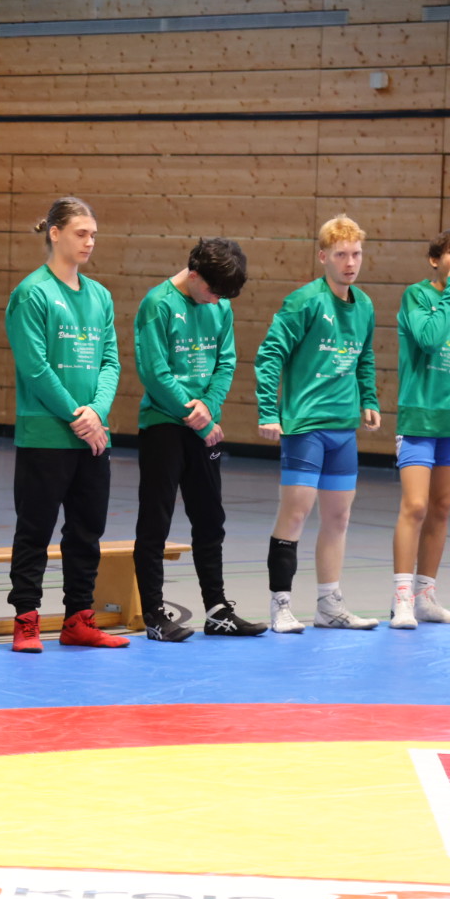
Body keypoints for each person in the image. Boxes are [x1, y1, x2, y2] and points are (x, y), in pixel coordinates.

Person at [5, 197, 126, 653]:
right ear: (54, 233)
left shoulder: (100, 296)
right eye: (81, 233)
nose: (89, 242)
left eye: (93, 234)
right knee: (34, 531)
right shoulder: (32, 293)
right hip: (46, 434)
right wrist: (79, 416)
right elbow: (35, 368)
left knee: (86, 532)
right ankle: (26, 620)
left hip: (93, 436)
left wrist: (97, 412)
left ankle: (79, 619)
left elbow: (111, 361)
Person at [133, 238, 266, 641]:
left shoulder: (219, 305)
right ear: (193, 274)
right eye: (212, 291)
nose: (215, 301)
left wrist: (209, 406)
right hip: (164, 424)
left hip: (205, 423)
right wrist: (195, 415)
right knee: (155, 520)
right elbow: (155, 372)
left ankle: (217, 611)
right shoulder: (157, 304)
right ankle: (154, 613)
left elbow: (226, 361)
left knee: (210, 520)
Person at [255, 214, 382, 635]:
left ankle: (329, 606)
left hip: (342, 428)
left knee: (338, 518)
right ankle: (280, 605)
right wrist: (269, 411)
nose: (351, 263)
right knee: (295, 513)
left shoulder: (364, 306)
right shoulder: (304, 301)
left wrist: (369, 399)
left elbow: (364, 357)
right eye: (342, 254)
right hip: (306, 425)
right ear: (324, 256)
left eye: (356, 254)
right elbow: (270, 354)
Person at [389, 229, 450, 629]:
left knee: (441, 508)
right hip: (419, 417)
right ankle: (402, 599)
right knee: (415, 506)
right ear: (435, 260)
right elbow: (429, 339)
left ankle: (426, 597)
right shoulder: (417, 295)